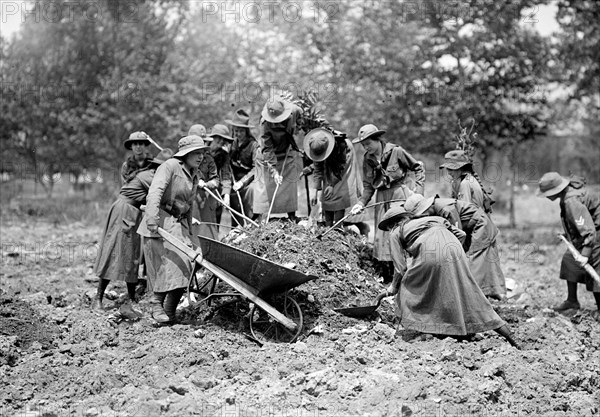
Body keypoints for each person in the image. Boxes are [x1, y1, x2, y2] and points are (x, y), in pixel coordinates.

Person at [378, 206, 520, 347]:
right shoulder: (433, 219)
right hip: (455, 250)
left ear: (392, 224)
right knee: (468, 294)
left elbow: (400, 269)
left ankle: (423, 330)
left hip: (431, 254)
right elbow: (462, 235)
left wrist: (393, 288)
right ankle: (507, 333)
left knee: (409, 288)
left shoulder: (395, 232)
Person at [93, 148, 174, 315]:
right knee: (114, 253)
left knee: (132, 256)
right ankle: (98, 299)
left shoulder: (152, 175)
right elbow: (163, 198)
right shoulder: (150, 177)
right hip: (124, 212)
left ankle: (131, 298)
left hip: (132, 213)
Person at [137, 135, 208, 324]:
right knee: (166, 264)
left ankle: (169, 311)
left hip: (179, 223)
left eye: (202, 153)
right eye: (196, 153)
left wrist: (192, 237)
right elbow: (155, 192)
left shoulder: (195, 173)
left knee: (188, 263)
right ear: (185, 154)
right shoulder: (169, 166)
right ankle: (156, 304)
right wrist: (152, 218)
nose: (200, 157)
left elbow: (189, 204)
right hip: (161, 219)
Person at [350, 124, 425, 281]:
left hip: (399, 196)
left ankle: (409, 274)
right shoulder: (367, 159)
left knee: (400, 232)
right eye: (363, 145)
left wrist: (418, 193)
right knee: (383, 235)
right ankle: (388, 276)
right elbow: (368, 186)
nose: (365, 147)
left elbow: (418, 168)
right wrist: (361, 203)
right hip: (382, 199)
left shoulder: (396, 152)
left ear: (377, 140)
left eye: (368, 143)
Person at [404, 193, 506, 299]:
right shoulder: (437, 207)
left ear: (425, 208)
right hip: (472, 228)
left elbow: (457, 235)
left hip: (480, 226)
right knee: (481, 261)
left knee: (473, 262)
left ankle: (474, 296)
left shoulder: (446, 209)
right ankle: (488, 291)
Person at [538, 172, 600, 320]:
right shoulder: (566, 194)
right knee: (569, 260)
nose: (546, 196)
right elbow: (578, 222)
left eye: (547, 193)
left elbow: (589, 230)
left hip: (596, 234)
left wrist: (585, 254)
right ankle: (572, 301)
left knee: (595, 267)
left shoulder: (571, 201)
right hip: (588, 232)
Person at [253, 96, 303, 222]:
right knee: (265, 186)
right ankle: (263, 218)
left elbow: (301, 116)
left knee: (289, 183)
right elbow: (267, 149)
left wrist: (298, 127)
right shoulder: (264, 124)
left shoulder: (294, 110)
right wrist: (274, 171)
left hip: (286, 150)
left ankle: (292, 216)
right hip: (268, 156)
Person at [306, 128, 358, 227]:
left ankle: (338, 226)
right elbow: (318, 169)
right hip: (331, 162)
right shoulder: (315, 146)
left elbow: (341, 167)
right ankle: (328, 225)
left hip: (343, 162)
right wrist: (315, 190)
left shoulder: (342, 145)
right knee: (326, 194)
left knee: (339, 191)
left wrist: (332, 184)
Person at [187, 125, 219, 240]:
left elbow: (216, 180)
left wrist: (206, 184)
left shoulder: (209, 160)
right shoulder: (183, 159)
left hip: (205, 201)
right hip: (189, 199)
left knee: (207, 233)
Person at [228, 109, 259, 226]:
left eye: (241, 131)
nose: (238, 134)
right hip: (234, 185)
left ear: (246, 131)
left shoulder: (253, 145)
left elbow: (256, 168)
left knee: (251, 194)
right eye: (236, 131)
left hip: (248, 183)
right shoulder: (231, 144)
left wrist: (242, 182)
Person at [206, 124, 234, 226]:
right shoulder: (201, 150)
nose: (221, 142)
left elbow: (226, 175)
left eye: (224, 140)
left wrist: (226, 194)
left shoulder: (224, 155)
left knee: (214, 219)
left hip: (214, 189)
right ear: (212, 138)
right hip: (198, 188)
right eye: (219, 139)